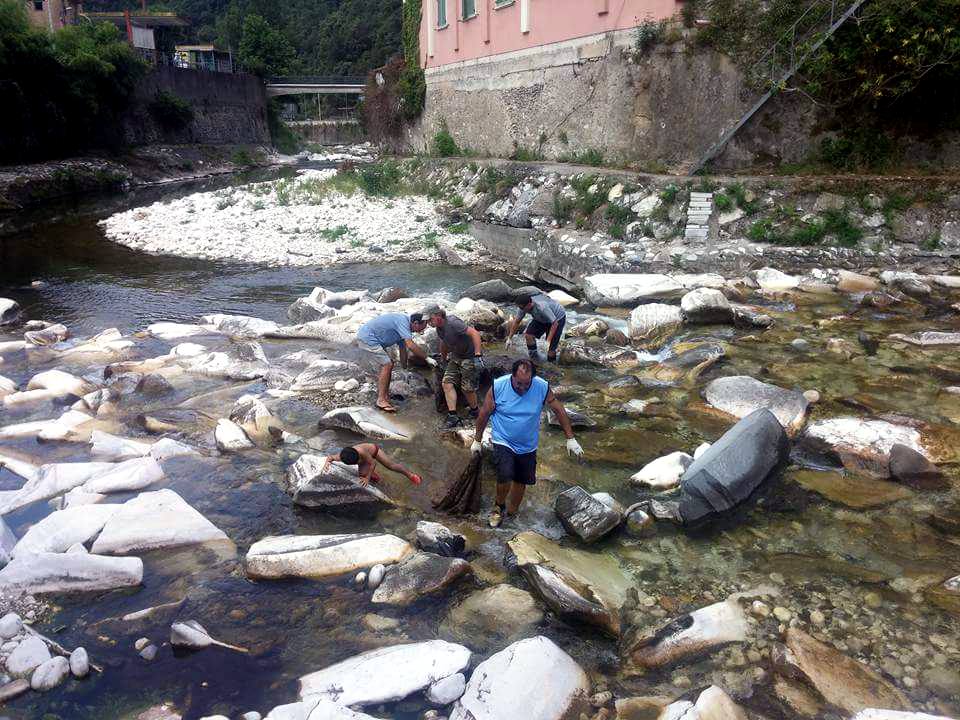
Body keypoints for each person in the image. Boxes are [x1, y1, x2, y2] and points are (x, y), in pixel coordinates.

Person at [472, 358, 584, 528]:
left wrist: (570, 438)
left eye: (527, 384)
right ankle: (498, 506)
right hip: (503, 439)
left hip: (528, 444)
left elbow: (558, 409)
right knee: (505, 473)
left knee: (521, 480)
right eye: (519, 384)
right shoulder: (498, 387)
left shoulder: (541, 386)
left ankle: (512, 513)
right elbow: (484, 414)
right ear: (512, 376)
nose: (523, 388)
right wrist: (477, 440)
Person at [356, 312, 436, 413]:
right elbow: (411, 345)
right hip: (368, 338)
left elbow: (403, 350)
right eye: (421, 329)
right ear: (415, 323)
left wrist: (405, 369)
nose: (422, 331)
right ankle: (381, 400)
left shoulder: (405, 329)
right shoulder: (403, 322)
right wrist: (427, 358)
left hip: (374, 339)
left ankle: (385, 396)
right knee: (387, 364)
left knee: (389, 364)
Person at [424, 305, 485, 429]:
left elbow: (475, 333)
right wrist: (443, 358)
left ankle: (475, 411)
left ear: (438, 316)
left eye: (430, 319)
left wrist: (478, 355)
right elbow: (444, 343)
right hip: (456, 357)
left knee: (467, 388)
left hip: (469, 356)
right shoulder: (439, 329)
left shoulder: (453, 323)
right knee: (446, 383)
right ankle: (453, 415)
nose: (428, 323)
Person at [505, 291, 567, 363]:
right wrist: (509, 338)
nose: (520, 309)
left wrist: (548, 341)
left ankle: (551, 366)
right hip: (541, 318)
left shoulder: (541, 307)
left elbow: (554, 323)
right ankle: (534, 359)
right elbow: (517, 322)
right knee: (528, 335)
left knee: (551, 350)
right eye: (519, 307)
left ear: (529, 304)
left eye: (521, 307)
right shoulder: (522, 307)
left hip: (557, 318)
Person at [325, 443, 422, 487]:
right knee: (362, 476)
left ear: (358, 457)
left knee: (391, 466)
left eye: (358, 461)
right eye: (356, 463)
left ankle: (411, 475)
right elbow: (330, 457)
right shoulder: (343, 456)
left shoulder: (361, 451)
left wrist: (367, 477)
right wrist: (326, 464)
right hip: (363, 459)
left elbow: (373, 463)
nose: (358, 463)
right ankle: (377, 479)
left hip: (374, 451)